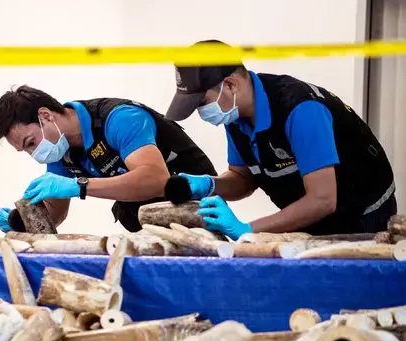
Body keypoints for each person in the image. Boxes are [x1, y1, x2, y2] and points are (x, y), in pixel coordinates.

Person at [165, 40, 396, 239]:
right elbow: (243, 178)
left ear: (231, 85)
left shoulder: (301, 110)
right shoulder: (236, 117)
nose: (201, 112)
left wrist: (247, 230)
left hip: (363, 216)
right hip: (312, 218)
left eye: (202, 103)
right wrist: (209, 185)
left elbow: (323, 199)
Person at [0, 85, 216, 232]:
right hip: (150, 221)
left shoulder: (120, 118)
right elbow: (56, 213)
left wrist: (80, 186)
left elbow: (157, 181)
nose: (35, 154)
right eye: (27, 151)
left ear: (45, 116)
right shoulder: (60, 150)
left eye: (31, 143)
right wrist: (24, 220)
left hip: (198, 207)